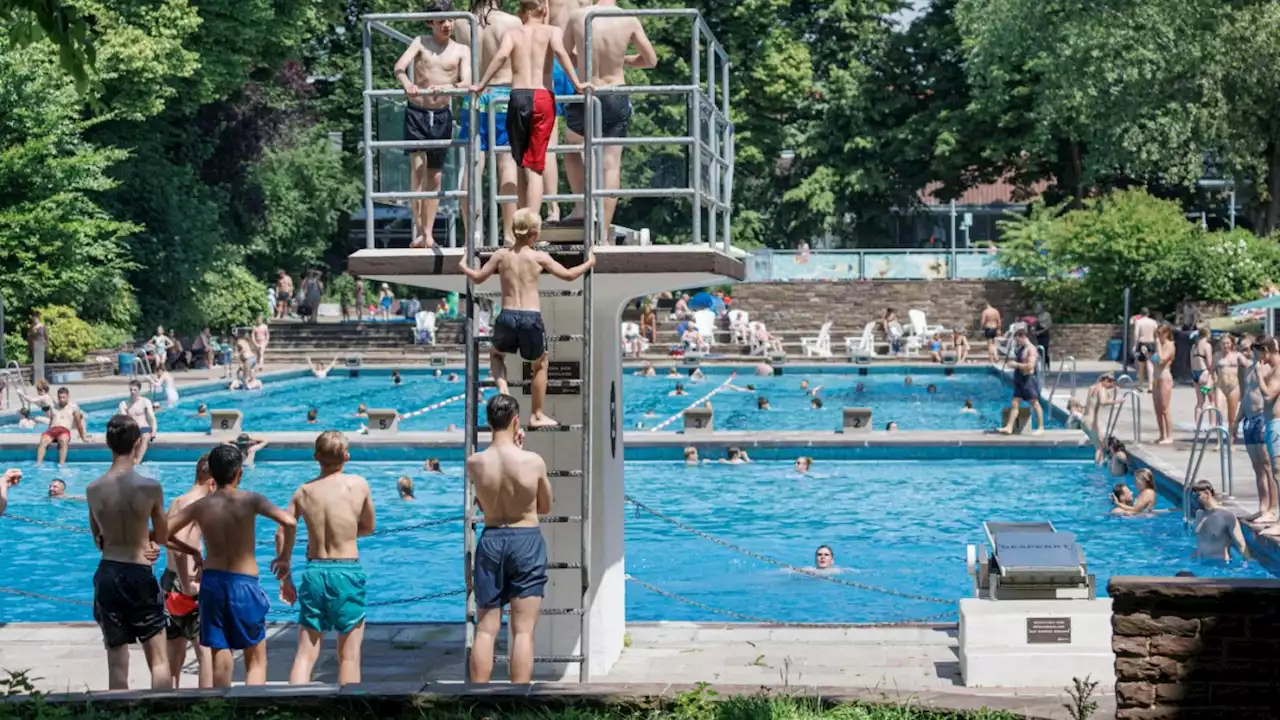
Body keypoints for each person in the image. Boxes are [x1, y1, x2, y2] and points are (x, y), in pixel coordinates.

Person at [167, 444, 296, 688]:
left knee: (220, 651)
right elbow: (289, 522)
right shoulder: (250, 500)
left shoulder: (201, 506)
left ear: (212, 475)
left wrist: (190, 550)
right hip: (243, 583)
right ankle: (252, 709)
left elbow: (162, 532)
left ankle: (222, 708)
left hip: (213, 584)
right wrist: (284, 559)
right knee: (255, 657)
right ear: (239, 472)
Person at [86, 415, 198, 690]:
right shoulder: (150, 488)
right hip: (138, 572)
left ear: (107, 444)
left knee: (116, 661)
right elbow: (161, 536)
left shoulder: (93, 489)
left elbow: (98, 539)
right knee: (159, 660)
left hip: (109, 572)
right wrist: (148, 544)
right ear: (138, 443)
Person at [458, 209, 595, 427]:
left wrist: (464, 264)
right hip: (531, 317)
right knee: (540, 364)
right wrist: (590, 261)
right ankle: (537, 414)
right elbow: (569, 275)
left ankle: (503, 389)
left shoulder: (501, 255)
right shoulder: (539, 256)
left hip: (507, 315)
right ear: (534, 235)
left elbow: (477, 278)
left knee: (496, 356)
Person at [471, 0, 589, 219]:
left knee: (520, 164)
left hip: (517, 96)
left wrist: (481, 85)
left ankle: (520, 225)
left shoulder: (513, 33)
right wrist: (577, 84)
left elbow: (501, 56)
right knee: (535, 167)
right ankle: (531, 224)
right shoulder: (552, 31)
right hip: (542, 96)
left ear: (520, 12)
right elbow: (562, 55)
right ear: (543, 10)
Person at [276, 431, 376, 685]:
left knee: (305, 654)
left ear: (315, 457)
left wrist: (285, 570)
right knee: (349, 657)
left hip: (314, 572)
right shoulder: (359, 485)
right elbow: (368, 526)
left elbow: (282, 530)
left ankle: (295, 708)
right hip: (347, 571)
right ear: (347, 457)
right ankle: (348, 711)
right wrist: (345, 534)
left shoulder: (304, 492)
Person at [467, 395, 552, 684]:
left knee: (485, 630)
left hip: (491, 539)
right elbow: (545, 506)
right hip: (525, 538)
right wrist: (521, 452)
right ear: (516, 421)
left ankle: (476, 702)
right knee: (523, 630)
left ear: (489, 422)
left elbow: (481, 502)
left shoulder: (475, 463)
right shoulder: (532, 461)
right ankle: (519, 702)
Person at [561, 0, 656, 241]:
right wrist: (623, 59)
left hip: (586, 91)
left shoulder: (578, 16)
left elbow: (563, 53)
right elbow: (651, 60)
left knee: (571, 147)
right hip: (615, 91)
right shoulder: (628, 19)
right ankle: (602, 235)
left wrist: (582, 60)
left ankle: (583, 206)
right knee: (611, 164)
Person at [394, 3, 470, 248]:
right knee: (417, 172)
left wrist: (449, 87)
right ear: (431, 23)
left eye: (449, 20)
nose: (447, 25)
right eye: (441, 21)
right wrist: (406, 81)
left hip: (441, 115)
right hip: (417, 112)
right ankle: (418, 230)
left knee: (435, 177)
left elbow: (467, 81)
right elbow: (399, 66)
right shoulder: (420, 42)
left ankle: (428, 232)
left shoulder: (461, 49)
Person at [455, 0, 522, 245]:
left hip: (473, 98)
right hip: (504, 95)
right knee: (507, 164)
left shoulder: (461, 23)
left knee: (472, 166)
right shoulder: (511, 22)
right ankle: (509, 234)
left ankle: (473, 232)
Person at [163, 454, 216, 688]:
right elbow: (181, 549)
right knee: (205, 651)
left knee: (175, 643)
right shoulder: (196, 506)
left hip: (168, 580)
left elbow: (164, 539)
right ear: (211, 482)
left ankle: (171, 698)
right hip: (187, 584)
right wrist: (187, 585)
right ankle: (206, 705)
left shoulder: (177, 501)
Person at [1238, 336, 1275, 524]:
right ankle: (1262, 507)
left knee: (1267, 466)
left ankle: (1271, 509)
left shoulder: (1268, 368)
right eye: (1244, 349)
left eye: (1248, 349)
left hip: (1262, 418)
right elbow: (1245, 396)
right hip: (1249, 420)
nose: (1245, 353)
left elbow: (1269, 394)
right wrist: (1236, 420)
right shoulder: (1250, 369)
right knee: (1257, 468)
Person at [1190, 480, 1251, 563]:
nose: (1195, 500)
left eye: (1198, 496)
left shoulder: (1227, 516)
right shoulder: (1199, 514)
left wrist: (1247, 563)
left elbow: (1241, 544)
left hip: (1219, 566)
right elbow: (1202, 542)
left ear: (1207, 494)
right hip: (1200, 563)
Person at [999, 329, 1043, 435]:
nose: (1016, 342)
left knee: (1034, 403)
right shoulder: (1022, 349)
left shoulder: (1031, 349)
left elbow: (1030, 366)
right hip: (1020, 380)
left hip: (1028, 380)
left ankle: (1041, 427)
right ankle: (1009, 427)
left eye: (1017, 339)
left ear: (1023, 337)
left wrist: (1016, 365)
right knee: (1015, 403)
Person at [37, 388, 89, 466]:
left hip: (64, 430)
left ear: (68, 397)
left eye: (64, 397)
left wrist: (83, 437)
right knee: (43, 441)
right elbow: (51, 420)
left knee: (63, 441)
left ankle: (61, 465)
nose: (62, 399)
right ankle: (38, 464)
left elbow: (79, 424)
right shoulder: (54, 407)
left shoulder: (74, 408)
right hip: (52, 430)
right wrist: (48, 431)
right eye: (60, 397)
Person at [119, 380, 158, 463]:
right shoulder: (124, 404)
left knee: (145, 437)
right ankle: (131, 459)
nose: (132, 392)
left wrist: (154, 430)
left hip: (144, 427)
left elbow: (152, 417)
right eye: (131, 390)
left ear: (139, 390)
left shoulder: (145, 402)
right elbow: (124, 419)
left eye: (135, 390)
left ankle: (138, 461)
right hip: (132, 428)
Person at [1082, 373, 1118, 462]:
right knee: (1099, 448)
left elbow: (1096, 402)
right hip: (1091, 421)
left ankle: (1102, 464)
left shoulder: (1092, 388)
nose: (1109, 388)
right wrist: (1118, 401)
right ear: (1106, 381)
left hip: (1084, 420)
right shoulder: (1101, 389)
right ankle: (1098, 470)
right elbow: (1103, 402)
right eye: (1110, 385)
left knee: (1101, 441)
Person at [1152, 325, 1175, 444]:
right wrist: (1147, 355)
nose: (1157, 337)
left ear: (1166, 334)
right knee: (1157, 409)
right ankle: (1162, 434)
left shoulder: (1170, 345)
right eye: (1156, 334)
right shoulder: (1159, 346)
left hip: (1165, 377)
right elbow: (1155, 361)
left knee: (1165, 408)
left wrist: (1157, 345)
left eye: (1159, 334)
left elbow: (1161, 361)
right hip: (1156, 378)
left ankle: (1169, 435)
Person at [1217, 334, 1242, 441]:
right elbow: (1210, 369)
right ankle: (1219, 441)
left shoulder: (1237, 355)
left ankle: (1231, 439)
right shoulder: (1217, 356)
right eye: (1223, 343)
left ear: (1231, 344)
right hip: (1220, 387)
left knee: (1231, 417)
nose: (1225, 345)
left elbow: (1248, 364)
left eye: (1227, 343)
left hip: (1233, 387)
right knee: (1219, 414)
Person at [1191, 326, 1217, 422]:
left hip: (1195, 374)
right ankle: (1212, 423)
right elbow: (1210, 363)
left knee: (1200, 402)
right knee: (1212, 400)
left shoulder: (1194, 346)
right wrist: (1213, 374)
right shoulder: (1206, 346)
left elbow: (1191, 362)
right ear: (1208, 334)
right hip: (1204, 374)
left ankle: (1197, 424)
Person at [1132, 309, 1158, 391]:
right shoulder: (1153, 322)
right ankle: (1150, 386)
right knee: (1150, 365)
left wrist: (1135, 346)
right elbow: (1157, 334)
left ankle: (1141, 385)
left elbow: (1136, 334)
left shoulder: (1139, 322)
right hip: (1151, 343)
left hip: (1142, 343)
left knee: (1141, 365)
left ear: (1141, 313)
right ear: (1148, 313)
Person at [27, 310, 46, 383]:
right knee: (36, 365)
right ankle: (36, 380)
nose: (34, 319)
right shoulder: (32, 326)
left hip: (40, 344)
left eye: (36, 317)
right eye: (33, 318)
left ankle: (41, 380)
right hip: (34, 345)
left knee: (40, 364)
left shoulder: (42, 326)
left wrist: (47, 344)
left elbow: (46, 335)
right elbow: (29, 336)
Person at [1034, 301, 1053, 368]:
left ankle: (1047, 364)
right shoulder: (1037, 316)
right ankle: (1042, 366)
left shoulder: (1047, 315)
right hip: (1038, 335)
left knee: (1045, 349)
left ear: (1042, 307)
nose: (1037, 308)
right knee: (1040, 351)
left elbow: (1049, 325)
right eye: (1037, 307)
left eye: (1039, 307)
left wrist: (1041, 331)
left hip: (1044, 334)